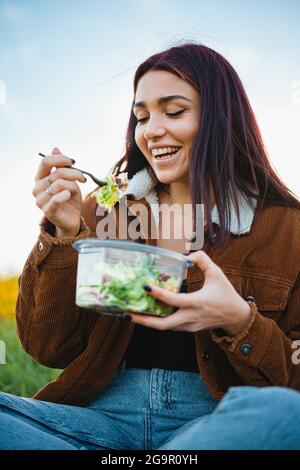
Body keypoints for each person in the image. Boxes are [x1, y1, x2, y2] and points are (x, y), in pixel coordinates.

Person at [1, 42, 300, 450]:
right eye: (141, 117)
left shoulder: (287, 227)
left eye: (173, 112)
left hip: (214, 425)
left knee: (285, 414)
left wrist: (238, 321)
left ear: (221, 118)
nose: (151, 130)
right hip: (96, 423)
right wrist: (64, 232)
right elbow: (48, 348)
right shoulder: (105, 210)